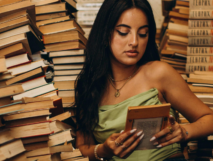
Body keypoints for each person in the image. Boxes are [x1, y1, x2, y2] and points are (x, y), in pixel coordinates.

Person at [74, 0, 213, 160]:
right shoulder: (89, 85)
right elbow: (82, 149)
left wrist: (184, 132)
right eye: (123, 32)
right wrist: (104, 150)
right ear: (105, 34)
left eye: (142, 34)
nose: (134, 42)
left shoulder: (159, 72)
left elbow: (209, 119)